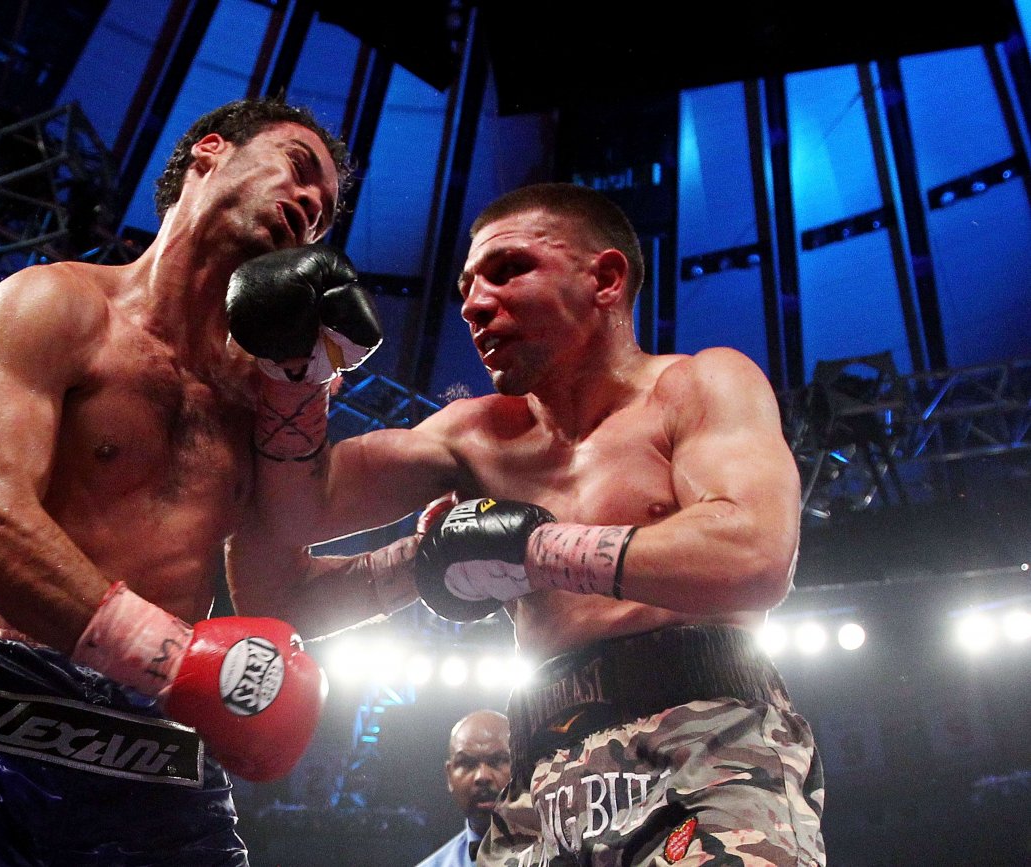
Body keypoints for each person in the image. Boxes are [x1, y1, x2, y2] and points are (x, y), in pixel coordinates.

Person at [0, 97, 413, 867]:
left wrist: (424, 566)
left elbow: (280, 590)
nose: (308, 206)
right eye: (297, 170)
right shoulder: (59, 303)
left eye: (323, 214)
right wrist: (175, 656)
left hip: (155, 750)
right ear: (209, 151)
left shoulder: (270, 395)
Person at [229, 182, 825, 864]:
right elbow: (282, 548)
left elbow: (753, 556)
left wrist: (532, 548)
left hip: (707, 745)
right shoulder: (471, 438)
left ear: (605, 279)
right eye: (466, 288)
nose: (474, 305)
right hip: (542, 772)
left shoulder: (699, 386)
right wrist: (293, 381)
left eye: (508, 269)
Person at [417, 710, 512, 867]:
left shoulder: (557, 855)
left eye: (498, 760)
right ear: (449, 776)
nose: (482, 776)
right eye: (467, 763)